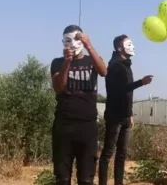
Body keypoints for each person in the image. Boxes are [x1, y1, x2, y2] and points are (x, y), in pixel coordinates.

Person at [50, 25, 108, 185]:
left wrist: (89, 46)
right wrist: (67, 63)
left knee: (86, 178)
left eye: (77, 39)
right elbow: (58, 87)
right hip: (64, 126)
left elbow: (104, 71)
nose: (73, 44)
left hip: (87, 127)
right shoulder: (57, 63)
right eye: (68, 40)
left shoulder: (92, 61)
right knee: (62, 178)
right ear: (63, 42)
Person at [98, 35, 153, 185]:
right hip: (115, 116)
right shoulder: (115, 65)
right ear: (119, 48)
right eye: (128, 43)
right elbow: (122, 89)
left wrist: (130, 114)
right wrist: (142, 82)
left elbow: (127, 93)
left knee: (121, 154)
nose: (132, 46)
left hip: (125, 116)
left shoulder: (125, 64)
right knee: (108, 153)